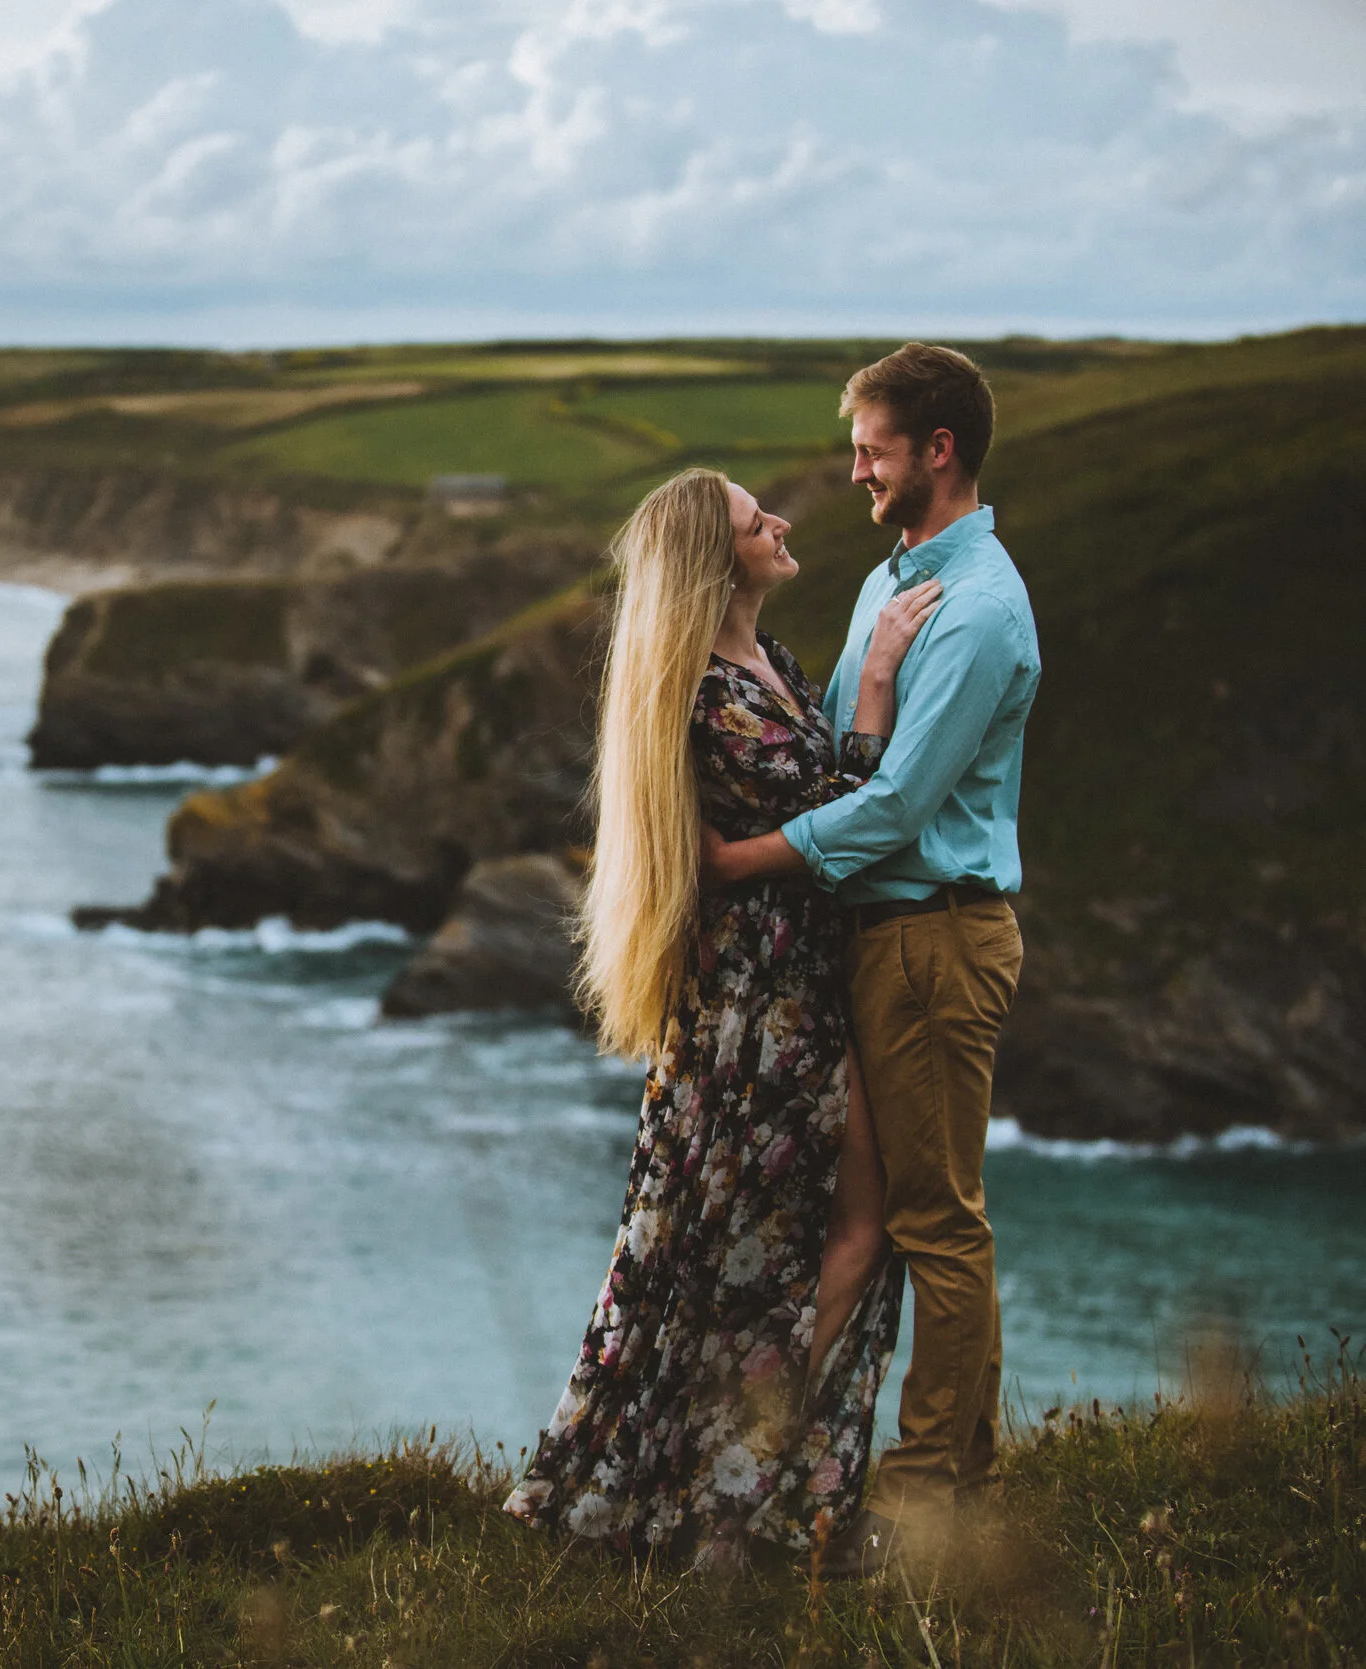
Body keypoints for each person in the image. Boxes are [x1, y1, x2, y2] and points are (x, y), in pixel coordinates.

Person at [505, 464, 942, 1569]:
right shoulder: (706, 692)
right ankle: (729, 1496)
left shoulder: (767, 668)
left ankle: (735, 1490)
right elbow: (845, 819)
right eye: (758, 520)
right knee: (781, 1245)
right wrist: (880, 683)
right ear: (718, 557)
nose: (781, 522)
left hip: (797, 988)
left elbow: (809, 821)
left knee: (764, 1248)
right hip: (761, 1006)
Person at [703, 343, 1039, 1576]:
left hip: (933, 935)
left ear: (935, 451)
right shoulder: (897, 582)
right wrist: (871, 678)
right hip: (886, 938)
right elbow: (842, 746)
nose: (853, 470)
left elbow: (892, 810)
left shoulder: (978, 608)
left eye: (872, 448)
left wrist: (738, 864)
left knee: (936, 1223)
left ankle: (921, 1498)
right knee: (923, 1218)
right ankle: (960, 1472)